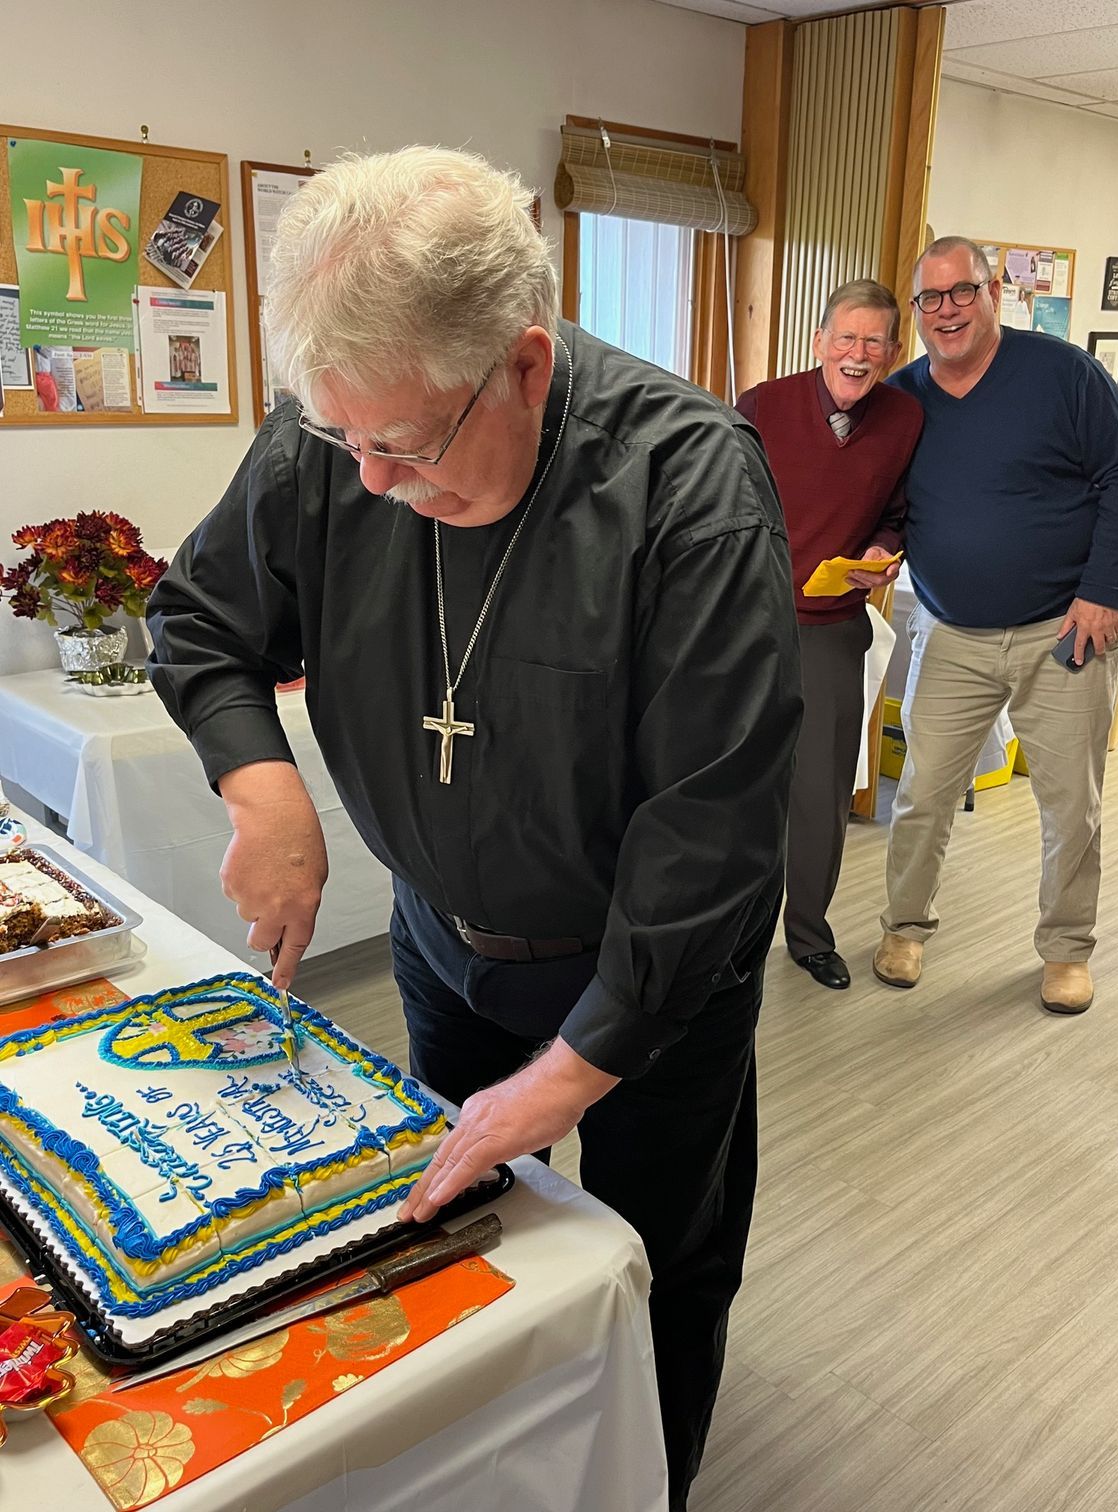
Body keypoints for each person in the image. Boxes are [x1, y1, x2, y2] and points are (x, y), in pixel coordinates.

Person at [146, 147, 802, 1509]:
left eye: (406, 445)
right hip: (443, 945)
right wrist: (260, 784)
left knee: (648, 1263)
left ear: (522, 362)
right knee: (457, 1237)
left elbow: (712, 827)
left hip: (647, 984)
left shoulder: (689, 485)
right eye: (346, 443)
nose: (371, 484)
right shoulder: (336, 432)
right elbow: (200, 623)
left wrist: (570, 1072)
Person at [874, 236, 1118, 1012]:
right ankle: (904, 927)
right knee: (922, 793)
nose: (947, 309)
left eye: (963, 292)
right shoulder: (904, 397)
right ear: (916, 312)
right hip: (951, 633)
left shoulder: (1064, 376)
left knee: (1071, 805)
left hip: (1065, 629)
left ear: (993, 295)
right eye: (931, 298)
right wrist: (882, 549)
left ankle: (1066, 951)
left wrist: (1102, 588)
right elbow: (887, 501)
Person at [736, 280, 922, 991]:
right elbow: (716, 491)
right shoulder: (762, 404)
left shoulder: (905, 420)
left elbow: (900, 513)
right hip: (747, 628)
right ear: (818, 343)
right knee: (734, 789)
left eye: (874, 341)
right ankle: (726, 934)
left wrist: (881, 548)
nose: (858, 353)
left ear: (892, 352)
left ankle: (809, 937)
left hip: (833, 630)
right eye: (846, 337)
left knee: (820, 798)